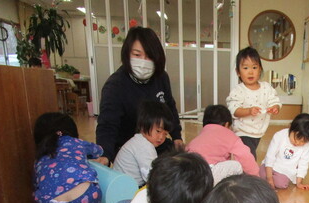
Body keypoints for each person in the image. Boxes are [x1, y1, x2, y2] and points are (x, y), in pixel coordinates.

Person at [96, 27, 183, 165]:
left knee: (180, 163)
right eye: (137, 55)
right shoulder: (115, 85)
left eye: (149, 56)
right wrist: (104, 154)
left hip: (155, 141)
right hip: (127, 146)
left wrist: (177, 136)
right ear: (127, 54)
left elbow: (170, 107)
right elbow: (107, 124)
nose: (143, 61)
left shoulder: (161, 77)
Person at [33, 112, 102, 203]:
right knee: (93, 185)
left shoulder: (39, 156)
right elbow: (98, 150)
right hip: (87, 200)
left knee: (49, 193)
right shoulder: (77, 142)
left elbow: (37, 185)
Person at [226, 47, 281, 159]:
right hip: (242, 131)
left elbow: (274, 101)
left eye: (254, 67)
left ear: (260, 69)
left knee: (245, 157)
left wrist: (275, 107)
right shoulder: (238, 91)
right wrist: (248, 111)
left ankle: (241, 168)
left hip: (258, 131)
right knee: (249, 157)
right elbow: (234, 110)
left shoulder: (266, 88)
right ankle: (249, 169)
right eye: (245, 68)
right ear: (238, 72)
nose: (250, 72)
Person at [186, 104, 259, 185]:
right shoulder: (229, 136)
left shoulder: (197, 138)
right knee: (236, 165)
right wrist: (257, 178)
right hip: (208, 176)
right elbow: (245, 157)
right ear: (227, 124)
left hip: (190, 176)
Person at [113, 100, 174, 187]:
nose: (161, 137)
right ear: (143, 126)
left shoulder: (137, 141)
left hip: (119, 186)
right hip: (128, 190)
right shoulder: (145, 147)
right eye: (158, 131)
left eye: (165, 134)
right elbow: (152, 178)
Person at [260, 113, 309, 190]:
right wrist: (269, 178)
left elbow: (303, 164)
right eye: (296, 138)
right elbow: (270, 156)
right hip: (269, 166)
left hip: (285, 172)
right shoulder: (279, 135)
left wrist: (299, 183)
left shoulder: (307, 145)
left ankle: (267, 180)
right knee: (260, 174)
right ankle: (266, 178)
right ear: (290, 128)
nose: (298, 143)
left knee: (281, 183)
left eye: (303, 141)